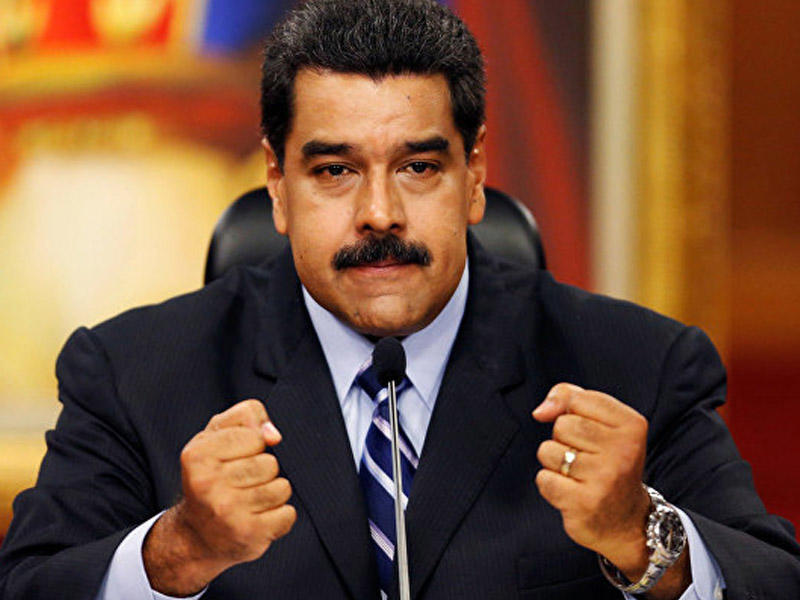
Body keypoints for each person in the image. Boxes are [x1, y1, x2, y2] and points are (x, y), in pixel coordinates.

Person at [1, 1, 799, 598]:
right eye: (335, 171)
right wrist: (178, 550)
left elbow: (772, 579)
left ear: (475, 175)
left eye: (418, 167)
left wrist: (644, 536)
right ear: (276, 184)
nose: (379, 213)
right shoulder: (134, 373)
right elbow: (33, 585)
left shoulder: (635, 365)